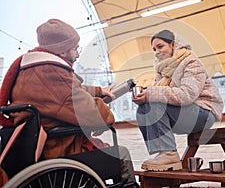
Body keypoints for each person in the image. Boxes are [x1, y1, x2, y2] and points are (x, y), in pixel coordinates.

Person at [0, 19, 136, 183]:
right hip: (59, 151)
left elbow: (65, 93)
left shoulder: (29, 71)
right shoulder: (53, 73)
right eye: (75, 48)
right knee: (122, 155)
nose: (78, 54)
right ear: (62, 52)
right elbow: (94, 115)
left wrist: (99, 91)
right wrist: (104, 108)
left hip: (34, 149)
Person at [132, 29, 224, 171]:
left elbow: (187, 95)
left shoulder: (191, 62)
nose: (157, 52)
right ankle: (164, 153)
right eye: (154, 49)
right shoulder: (162, 69)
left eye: (160, 46)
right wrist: (145, 96)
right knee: (143, 109)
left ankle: (169, 154)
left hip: (204, 112)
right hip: (185, 114)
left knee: (154, 103)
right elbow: (160, 94)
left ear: (173, 44)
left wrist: (151, 93)